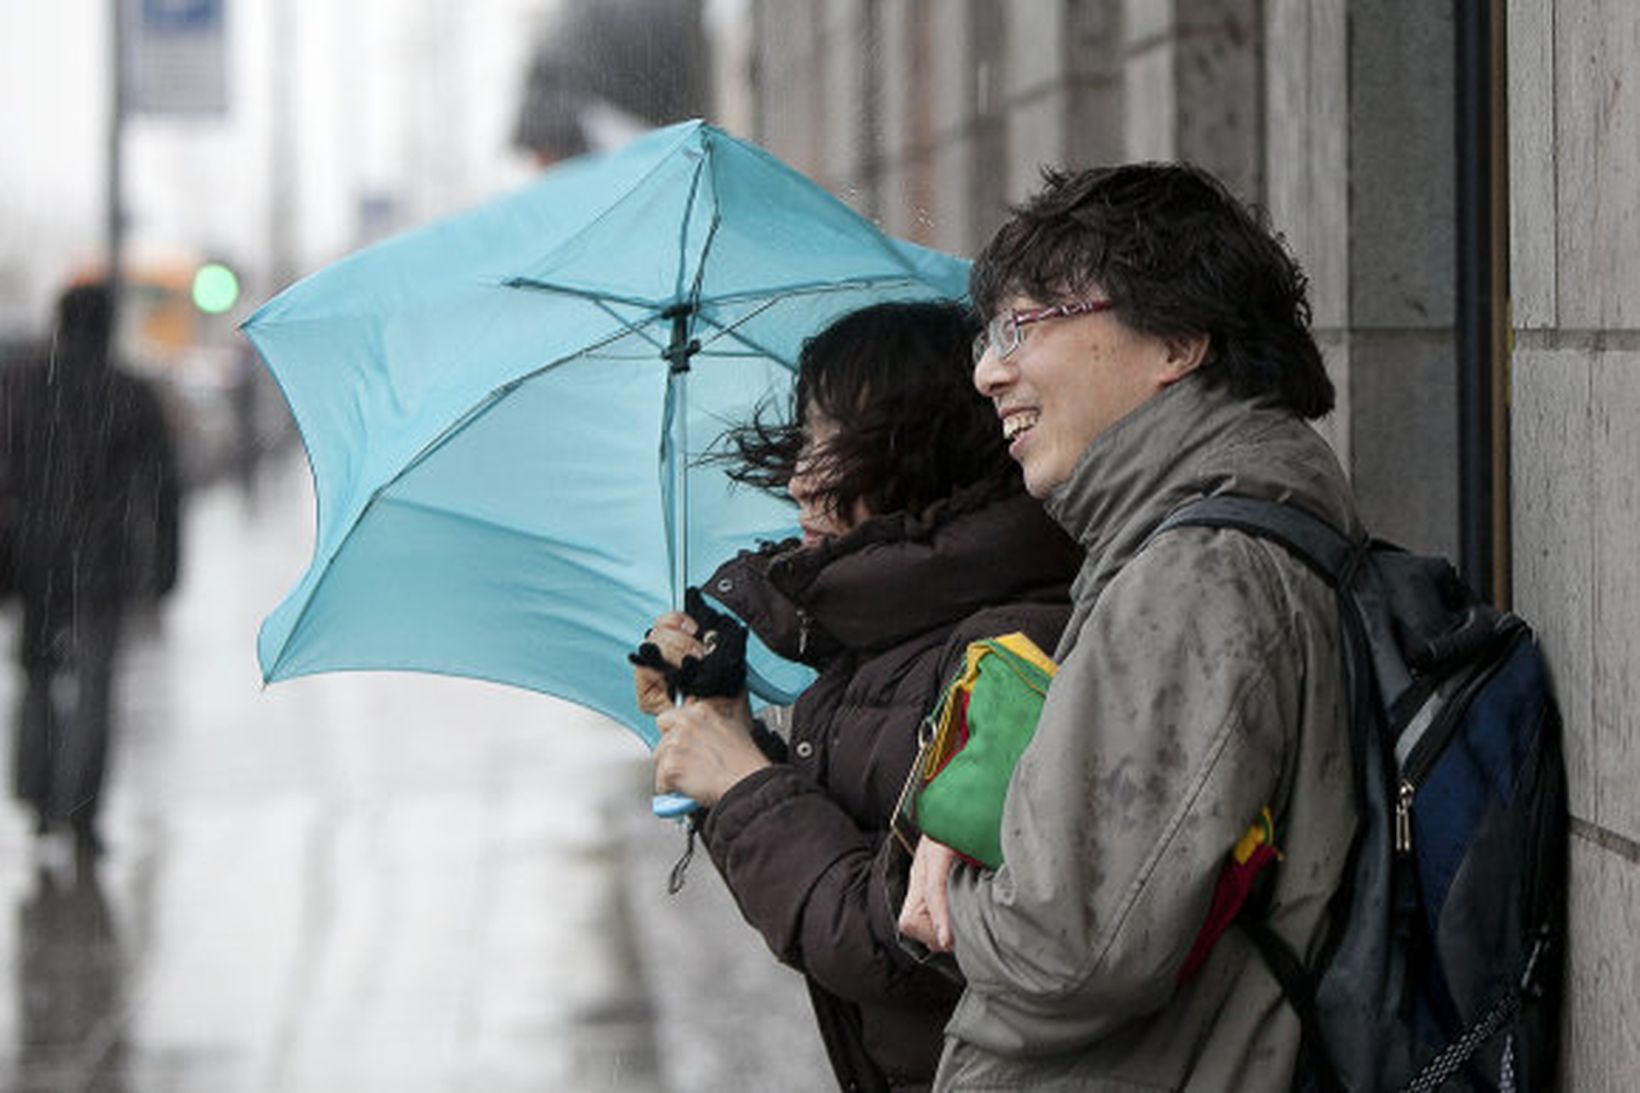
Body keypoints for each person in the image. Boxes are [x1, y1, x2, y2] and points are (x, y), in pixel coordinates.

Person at [895, 164, 1361, 1090]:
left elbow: (1070, 946)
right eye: (993, 334)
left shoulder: (1197, 570)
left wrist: (948, 892)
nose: (989, 371)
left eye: (1024, 327)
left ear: (1177, 342)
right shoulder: (1215, 530)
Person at [634, 300, 1081, 1092]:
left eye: (836, 448)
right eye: (806, 440)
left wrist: (744, 783)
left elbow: (908, 945)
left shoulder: (1009, 654)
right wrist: (720, 727)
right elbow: (833, 880)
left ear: (927, 459)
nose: (800, 479)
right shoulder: (884, 648)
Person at [2, 283, 181, 859]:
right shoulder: (126, 392)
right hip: (99, 563)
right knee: (95, 688)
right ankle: (80, 810)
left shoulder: (21, 385)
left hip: (33, 561)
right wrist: (165, 567)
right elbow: (162, 490)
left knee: (36, 677)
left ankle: (35, 797)